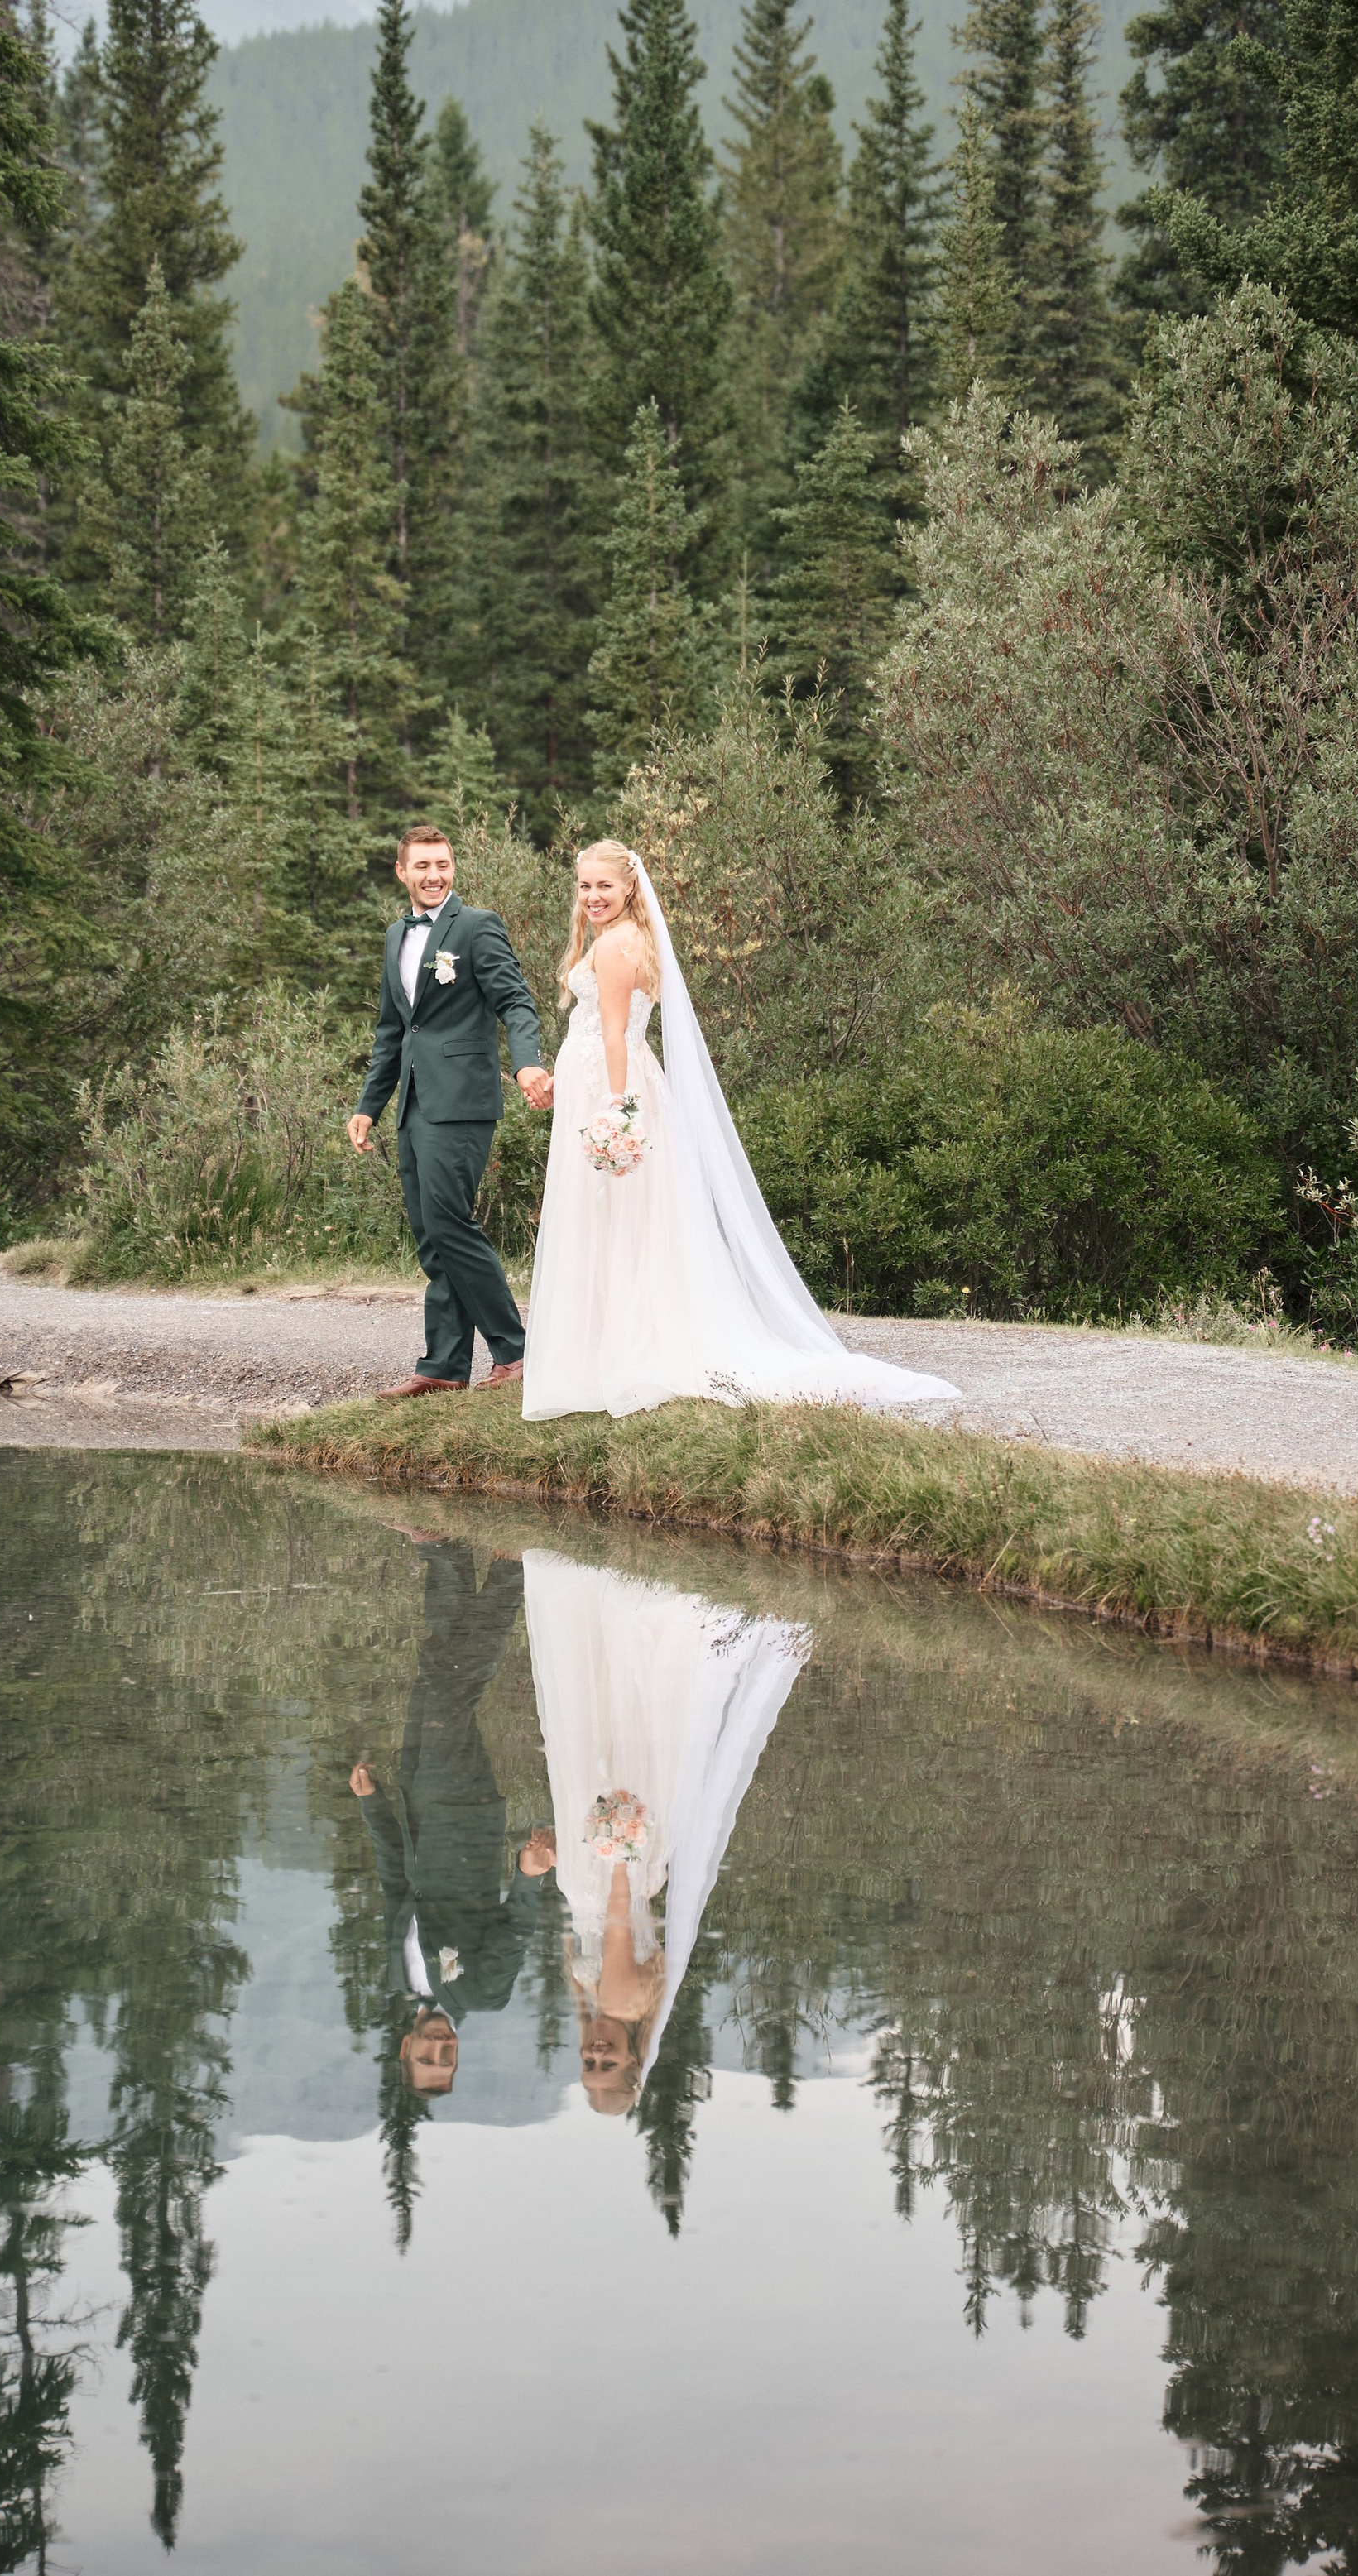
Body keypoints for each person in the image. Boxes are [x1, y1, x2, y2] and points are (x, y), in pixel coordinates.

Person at [520, 839, 955, 1420]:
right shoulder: (625, 937)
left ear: (629, 887)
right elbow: (596, 1027)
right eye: (585, 886)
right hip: (600, 1080)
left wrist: (616, 1109)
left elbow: (615, 1034)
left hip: (611, 1087)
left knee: (613, 1217)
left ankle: (615, 1354)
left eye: (604, 885)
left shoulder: (617, 944)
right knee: (620, 1219)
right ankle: (607, 1349)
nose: (593, 896)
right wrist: (568, 1077)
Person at [521, 1547, 810, 2115]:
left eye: (588, 2065)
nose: (595, 2055)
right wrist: (616, 1847)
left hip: (621, 1863)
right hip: (616, 1864)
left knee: (631, 1730)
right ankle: (627, 1611)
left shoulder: (618, 2003)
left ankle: (639, 1612)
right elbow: (618, 1919)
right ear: (634, 2058)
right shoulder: (621, 2000)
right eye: (608, 2065)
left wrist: (561, 1855)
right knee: (608, 1725)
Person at [349, 1537, 558, 2109]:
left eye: (428, 2058)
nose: (439, 2050)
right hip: (465, 1818)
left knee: (436, 1680)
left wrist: (373, 1804)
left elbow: (395, 1882)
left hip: (418, 1809)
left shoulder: (399, 1976)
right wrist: (529, 1875)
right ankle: (503, 1568)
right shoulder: (482, 1994)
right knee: (450, 1693)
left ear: (406, 2048)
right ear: (459, 2054)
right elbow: (516, 1930)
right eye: (447, 2060)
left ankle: (455, 1556)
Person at [347, 822, 554, 1398]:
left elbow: (516, 1001)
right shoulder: (396, 935)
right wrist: (369, 1106)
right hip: (413, 1102)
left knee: (449, 1223)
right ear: (402, 871)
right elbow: (392, 1030)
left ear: (452, 867)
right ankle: (443, 1365)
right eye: (422, 865)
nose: (434, 875)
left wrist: (526, 1063)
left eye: (442, 864)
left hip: (462, 1099)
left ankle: (515, 1352)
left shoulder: (478, 926)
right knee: (429, 1233)